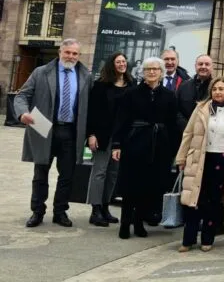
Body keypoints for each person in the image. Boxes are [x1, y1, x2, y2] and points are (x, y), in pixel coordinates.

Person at [14, 38, 92, 228]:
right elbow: (23, 95)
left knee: (67, 176)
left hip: (71, 132)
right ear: (60, 52)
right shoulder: (41, 72)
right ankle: (37, 211)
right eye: (68, 52)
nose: (71, 56)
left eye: (75, 53)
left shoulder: (86, 76)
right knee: (40, 174)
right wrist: (23, 113)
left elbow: (92, 106)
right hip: (44, 129)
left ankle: (60, 212)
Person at [175, 77, 224, 252]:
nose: (217, 92)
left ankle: (207, 238)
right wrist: (181, 158)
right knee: (193, 200)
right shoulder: (201, 109)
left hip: (222, 159)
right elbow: (188, 133)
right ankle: (188, 240)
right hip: (199, 158)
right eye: (215, 89)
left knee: (213, 201)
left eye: (221, 89)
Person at [111, 57, 180, 239]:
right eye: (148, 69)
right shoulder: (131, 94)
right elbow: (121, 120)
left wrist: (174, 149)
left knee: (148, 187)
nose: (151, 72)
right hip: (135, 143)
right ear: (143, 72)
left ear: (161, 72)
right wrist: (117, 144)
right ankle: (125, 223)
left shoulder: (169, 95)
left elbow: (173, 124)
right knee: (130, 185)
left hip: (159, 147)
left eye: (155, 69)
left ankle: (139, 223)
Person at [86, 52, 135, 227]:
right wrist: (91, 134)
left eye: (123, 61)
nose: (122, 64)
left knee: (113, 174)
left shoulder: (132, 84)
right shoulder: (101, 85)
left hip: (122, 137)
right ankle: (95, 209)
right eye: (118, 62)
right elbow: (92, 111)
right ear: (111, 64)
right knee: (99, 172)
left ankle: (106, 206)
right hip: (103, 135)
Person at [176, 55, 214, 134]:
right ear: (195, 66)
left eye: (207, 64)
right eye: (200, 64)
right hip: (184, 132)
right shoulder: (184, 86)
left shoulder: (216, 87)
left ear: (212, 67)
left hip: (207, 133)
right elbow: (176, 109)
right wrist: (186, 126)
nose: (203, 67)